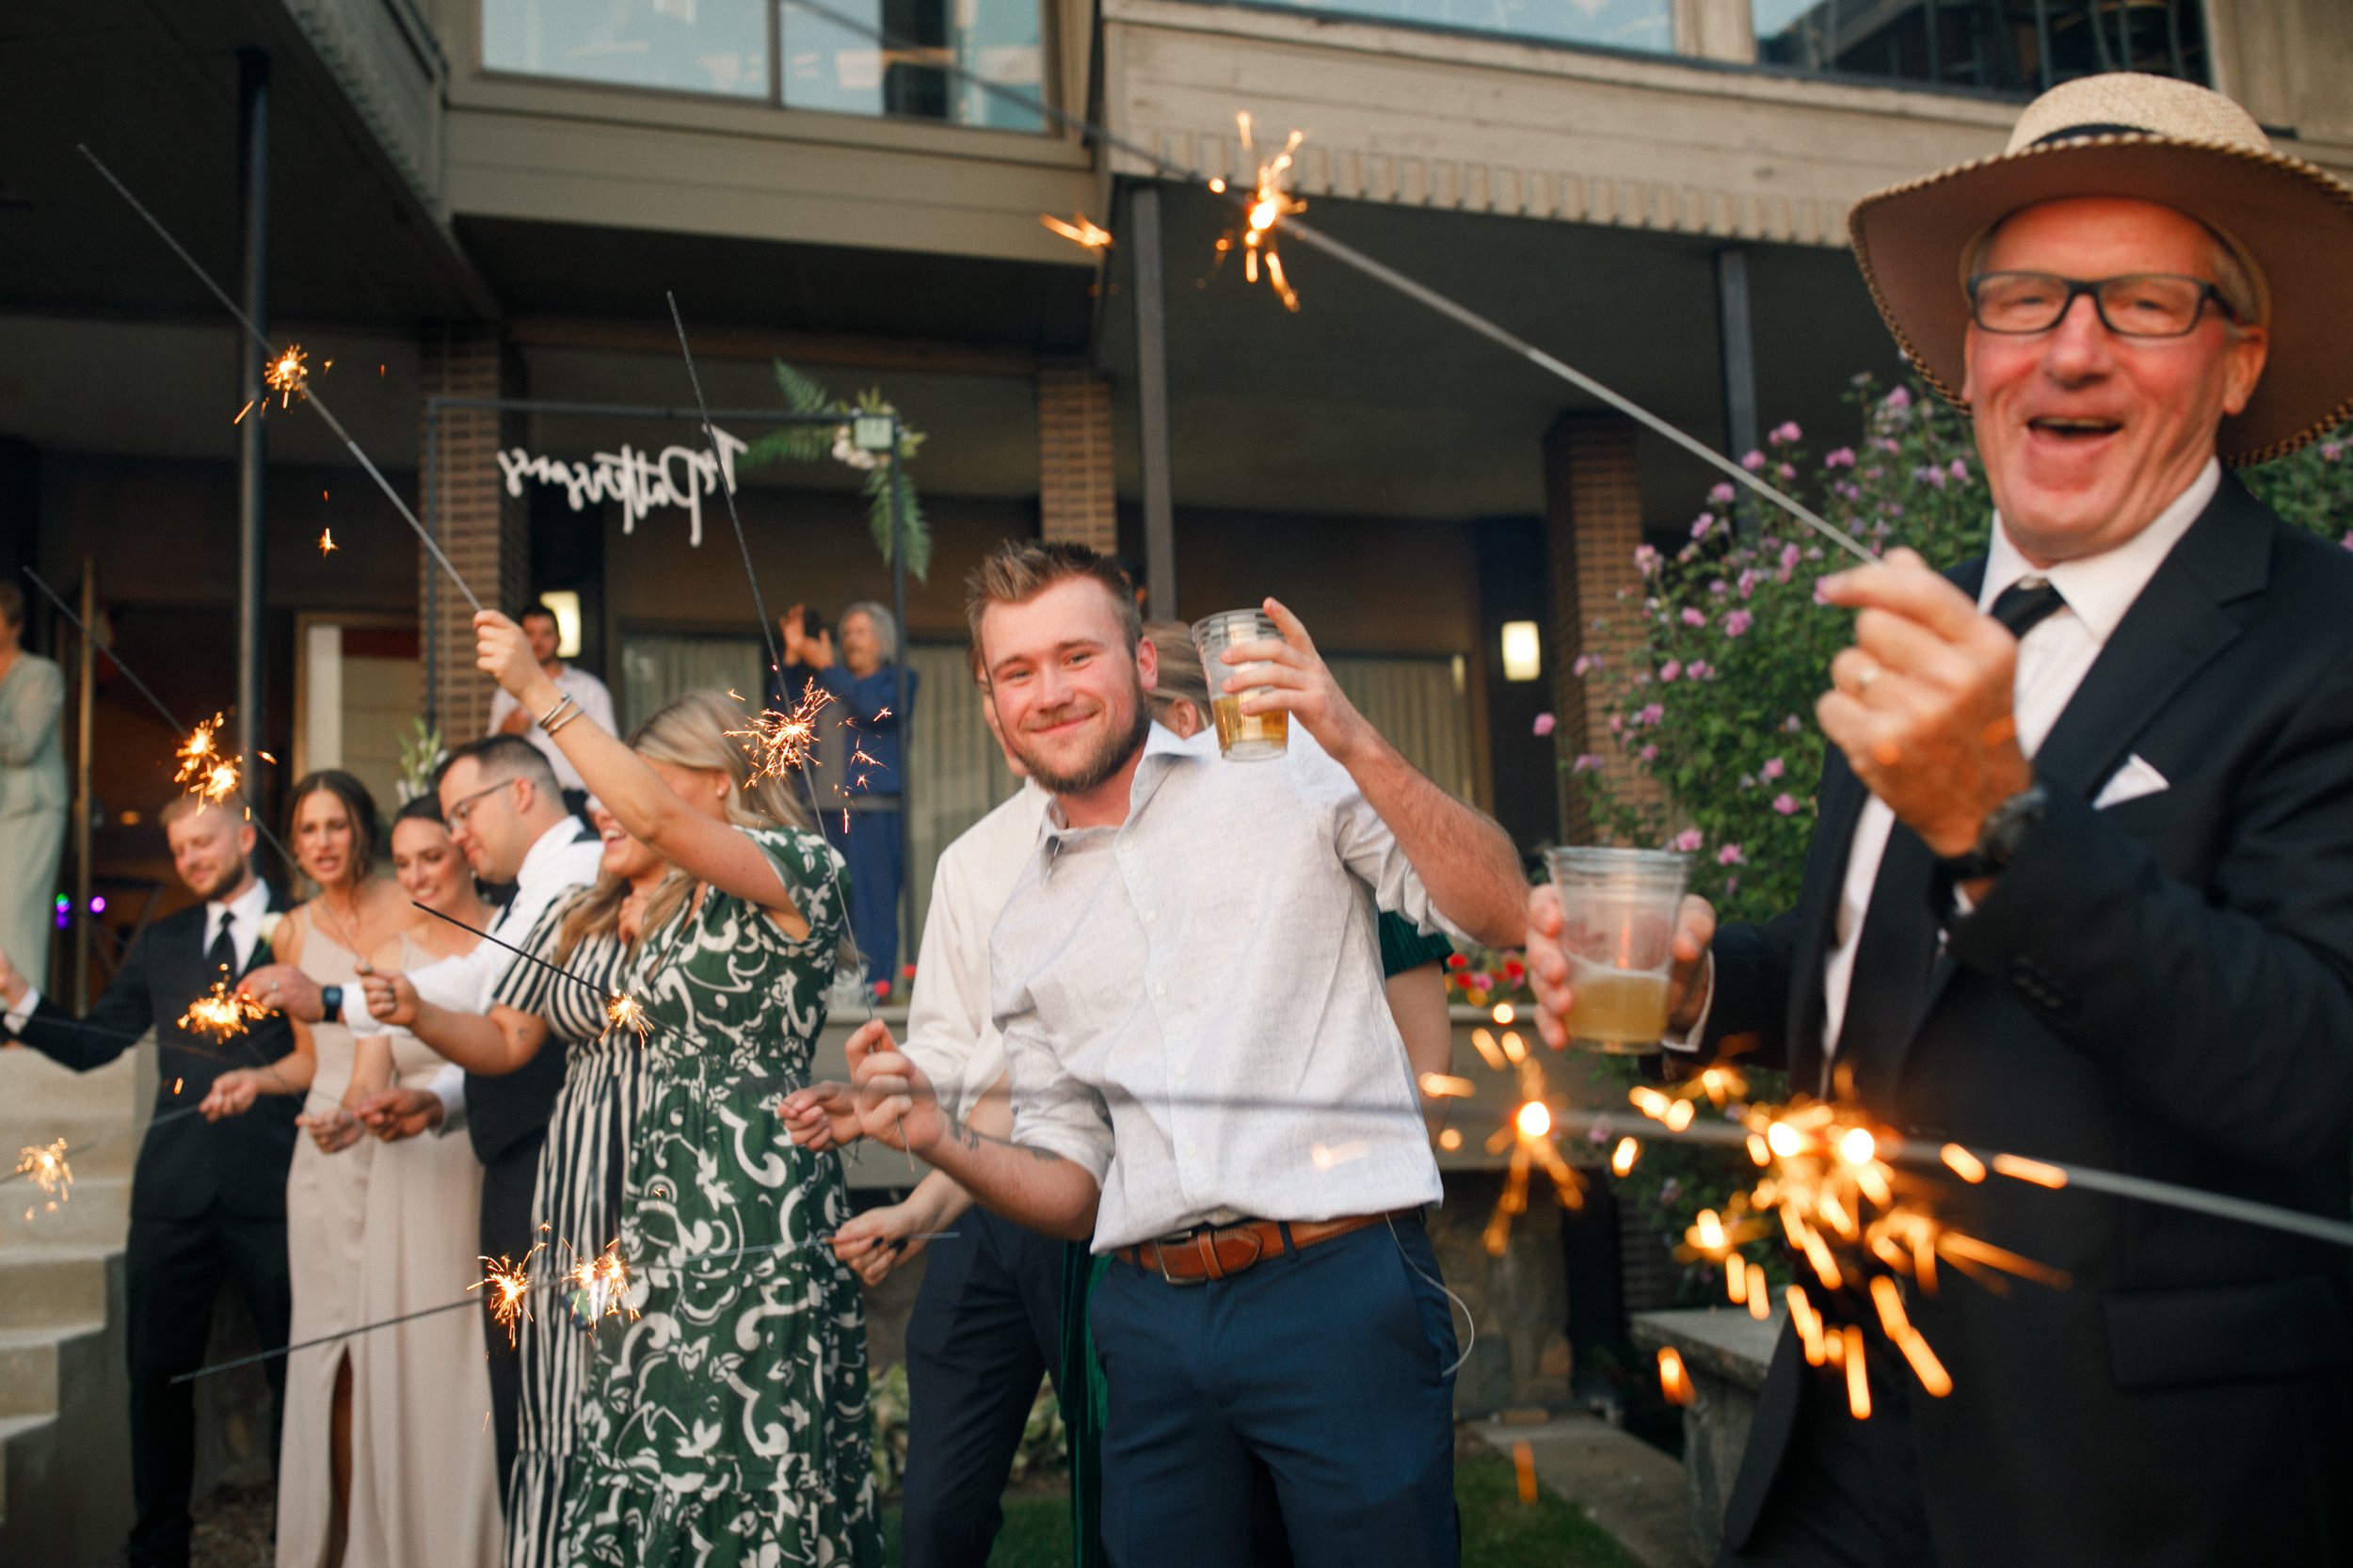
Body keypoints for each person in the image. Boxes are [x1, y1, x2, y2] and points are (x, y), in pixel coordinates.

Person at [1525, 73, 2353, 1567]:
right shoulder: (1927, 626)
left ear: (2239, 363)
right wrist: (1715, 983)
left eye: (2145, 303)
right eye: (2026, 299)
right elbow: (1895, 982)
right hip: (1837, 1446)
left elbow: (2318, 1069)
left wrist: (2006, 821)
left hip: (2138, 1491)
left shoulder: (2323, 641)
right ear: (1971, 356)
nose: (2074, 347)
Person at [796, 541, 1527, 1568]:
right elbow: (1071, 1188)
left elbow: (1497, 912)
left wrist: (1351, 731)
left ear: (1142, 663)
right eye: (1017, 672)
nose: (1048, 692)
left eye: (1075, 656)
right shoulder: (1021, 921)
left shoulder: (1282, 775)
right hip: (1148, 1326)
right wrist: (938, 1136)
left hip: (1333, 1288)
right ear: (990, 703)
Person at [477, 606, 882, 1566]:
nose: (630, 801)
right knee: (650, 1444)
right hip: (663, 1197)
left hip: (753, 1203)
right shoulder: (669, 902)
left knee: (747, 1448)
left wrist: (539, 692)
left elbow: (654, 818)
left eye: (654, 777)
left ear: (718, 779)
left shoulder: (798, 868)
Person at [246, 734, 601, 1501]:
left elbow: (487, 986)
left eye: (461, 818)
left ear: (519, 794)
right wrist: (434, 1098)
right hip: (505, 1150)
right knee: (515, 1398)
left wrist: (338, 999)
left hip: (554, 1161)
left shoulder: (575, 870)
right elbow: (492, 1001)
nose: (459, 838)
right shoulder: (538, 885)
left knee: (541, 1397)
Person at [360, 798, 677, 1568]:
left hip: (656, 1173)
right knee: (558, 1392)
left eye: (466, 812)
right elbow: (506, 1035)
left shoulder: (694, 904)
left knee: (646, 1383)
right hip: (567, 1178)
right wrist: (416, 1015)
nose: (599, 807)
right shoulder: (575, 904)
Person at [0, 795, 297, 1568]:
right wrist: (19, 1001)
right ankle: (158, 1549)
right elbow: (97, 1043)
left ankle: (300, 1541)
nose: (193, 858)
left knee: (294, 1371)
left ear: (241, 836)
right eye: (181, 849)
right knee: (155, 1380)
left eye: (204, 842)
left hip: (280, 1186)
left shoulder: (301, 926)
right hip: (173, 1194)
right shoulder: (162, 942)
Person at [201, 771, 412, 1568]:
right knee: (328, 1351)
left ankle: (393, 1535)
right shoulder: (288, 931)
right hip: (321, 1155)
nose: (322, 842)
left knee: (395, 1348)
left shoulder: (408, 904)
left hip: (403, 1137)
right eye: (308, 827)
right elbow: (304, 1058)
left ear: (363, 828)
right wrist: (255, 1080)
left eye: (336, 825)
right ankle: (331, 1539)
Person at [334, 796, 503, 1568]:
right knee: (408, 1376)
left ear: (465, 851)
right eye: (401, 864)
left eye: (429, 857)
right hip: (404, 1189)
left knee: (471, 1378)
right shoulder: (389, 957)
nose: (416, 876)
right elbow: (368, 1073)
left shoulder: (508, 940)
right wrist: (350, 1117)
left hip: (474, 1177)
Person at [781, 598, 916, 995]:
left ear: (883, 640)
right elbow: (784, 721)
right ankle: (829, 989)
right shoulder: (828, 681)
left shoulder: (900, 681)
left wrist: (825, 665)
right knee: (825, 904)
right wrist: (791, 660)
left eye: (860, 632)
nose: (850, 640)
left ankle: (877, 989)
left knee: (872, 907)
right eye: (846, 634)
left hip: (872, 813)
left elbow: (872, 709)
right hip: (820, 814)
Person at [0, 580, 65, 989]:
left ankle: (21, 1021)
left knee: (15, 913)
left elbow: (23, 745)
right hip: (5, 810)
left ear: (14, 623)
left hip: (33, 809)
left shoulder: (41, 675)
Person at [487, 602, 616, 801]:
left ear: (558, 639)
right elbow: (491, 757)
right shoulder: (505, 693)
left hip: (576, 798)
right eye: (530, 634)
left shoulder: (588, 689)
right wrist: (508, 730)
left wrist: (598, 803)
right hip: (524, 799)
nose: (538, 642)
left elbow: (609, 751)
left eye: (546, 634)